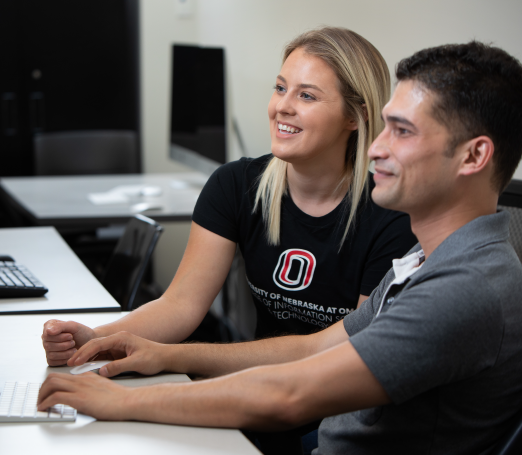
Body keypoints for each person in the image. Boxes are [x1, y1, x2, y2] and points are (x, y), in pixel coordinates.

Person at [36, 41, 522, 454]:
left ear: (474, 155)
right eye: (386, 126)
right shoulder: (424, 261)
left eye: (402, 131)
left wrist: (120, 402)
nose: (377, 148)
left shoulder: (464, 288)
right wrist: (165, 355)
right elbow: (314, 348)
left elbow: (290, 394)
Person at [43, 27, 415, 368]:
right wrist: (96, 337)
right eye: (280, 87)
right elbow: (180, 305)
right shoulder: (235, 185)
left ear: (355, 116)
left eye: (306, 95)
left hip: (331, 407)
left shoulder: (391, 219)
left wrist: (173, 357)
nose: (283, 106)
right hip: (258, 386)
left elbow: (348, 352)